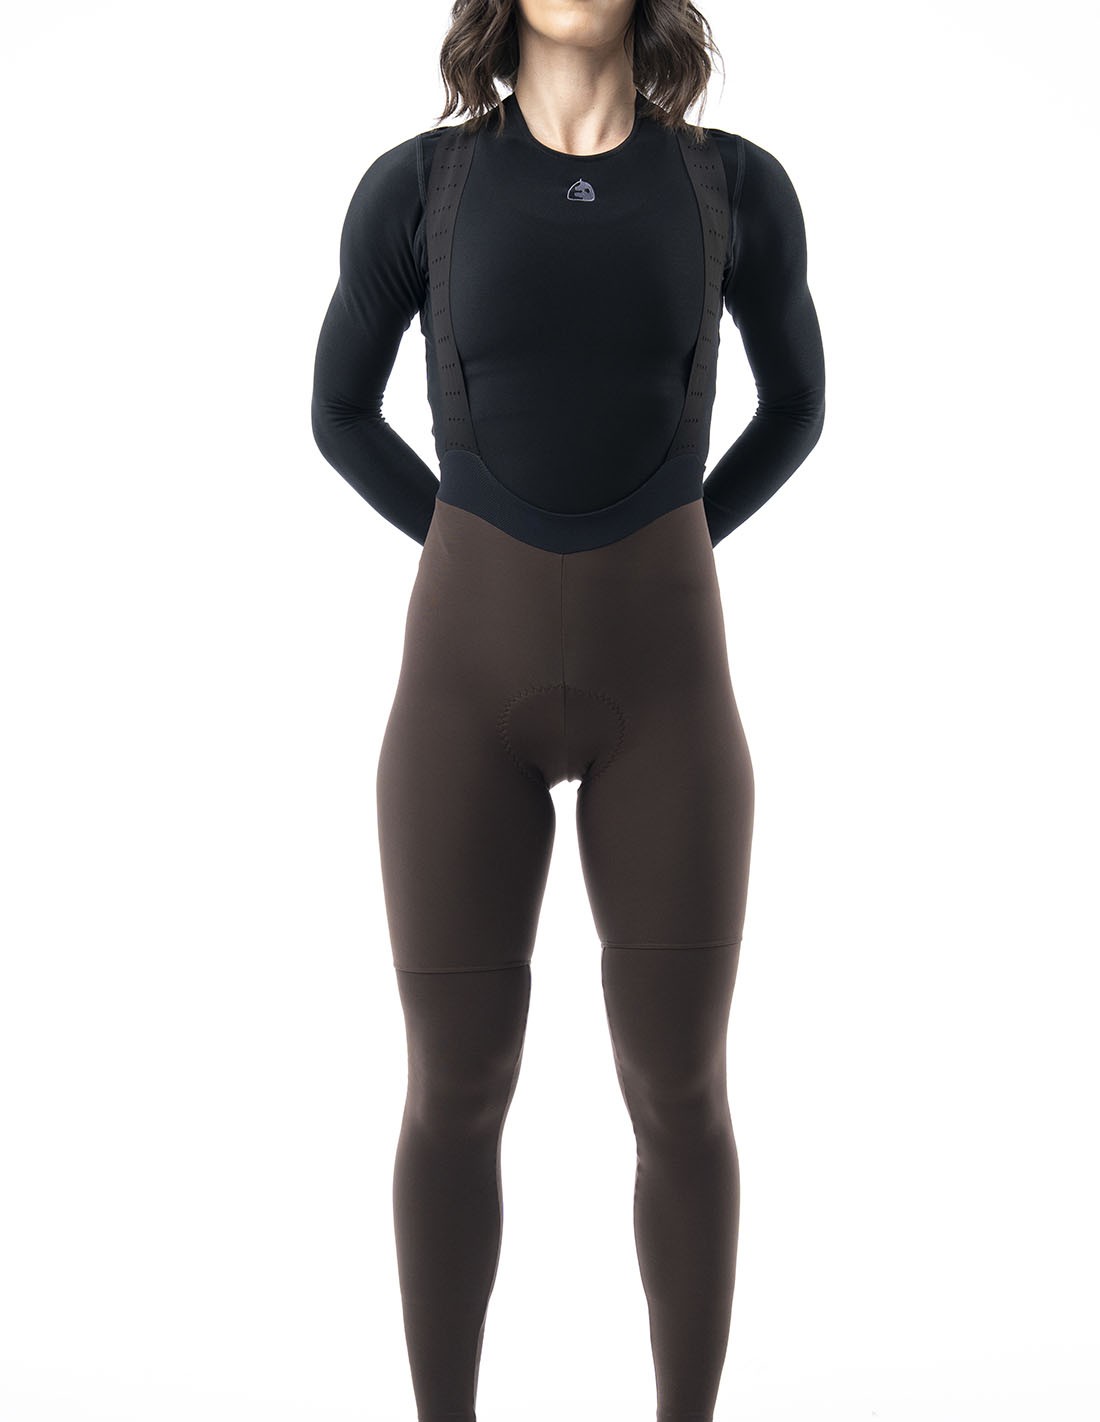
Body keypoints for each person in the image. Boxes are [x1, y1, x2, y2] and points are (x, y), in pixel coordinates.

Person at [310, 1, 825, 1417]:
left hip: (670, 689)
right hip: (459, 694)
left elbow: (798, 406)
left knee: (680, 1087)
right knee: (455, 1086)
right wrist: (465, 539)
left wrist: (676, 537)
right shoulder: (419, 186)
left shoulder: (734, 187)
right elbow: (338, 412)